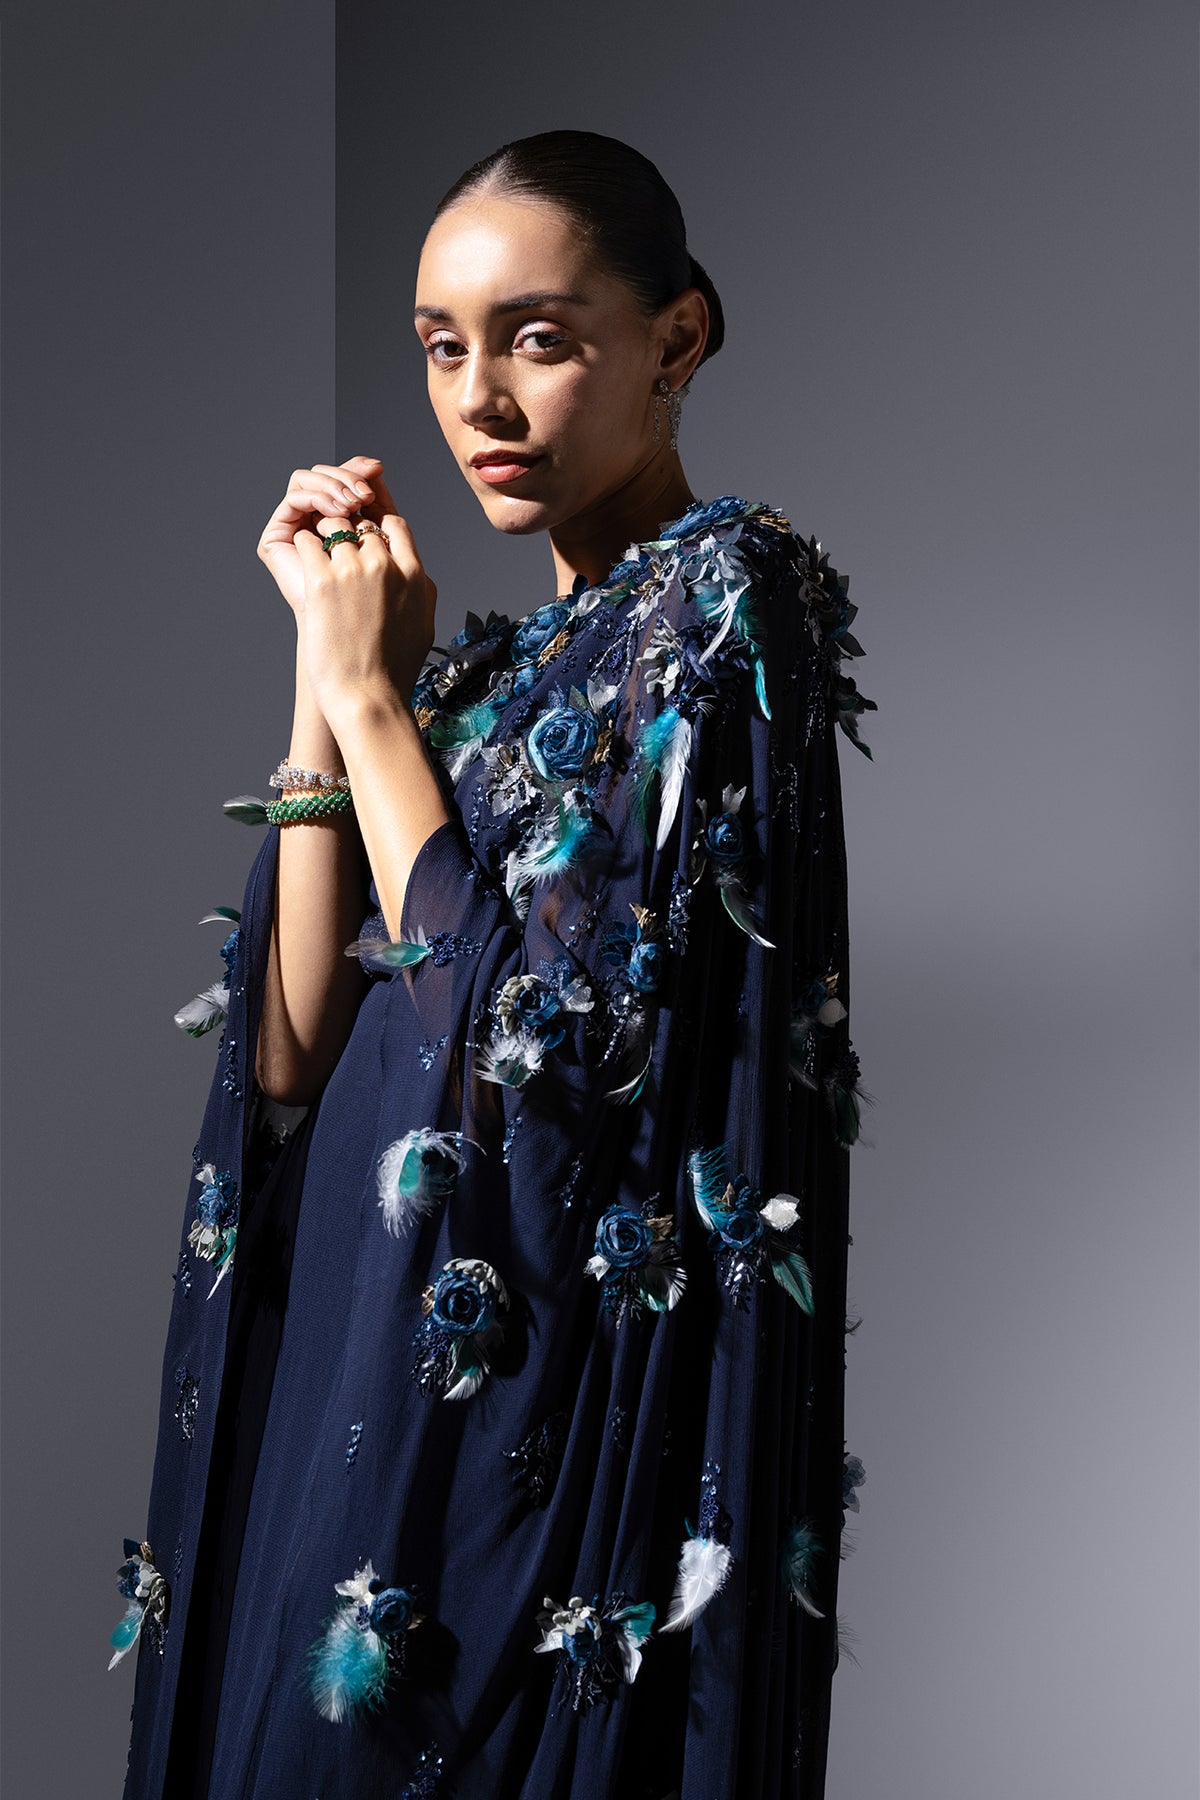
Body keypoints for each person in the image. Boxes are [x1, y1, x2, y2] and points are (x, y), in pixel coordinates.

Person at [112, 129, 875, 1800]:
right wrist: (327, 685)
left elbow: (532, 1043)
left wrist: (373, 702)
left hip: (534, 1432)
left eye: (537, 338)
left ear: (676, 337)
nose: (479, 399)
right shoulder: (466, 683)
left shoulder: (724, 603)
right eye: (441, 347)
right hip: (360, 1380)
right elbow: (290, 1061)